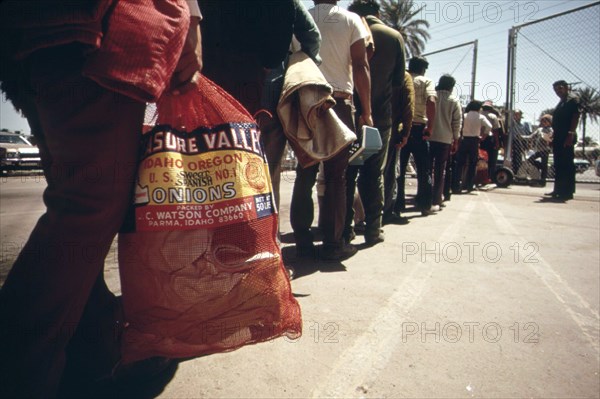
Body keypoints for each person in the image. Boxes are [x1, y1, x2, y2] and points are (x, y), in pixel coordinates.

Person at [0, 1, 203, 397]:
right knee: (89, 205)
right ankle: (18, 368)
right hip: (90, 29)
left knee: (78, 201)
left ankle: (89, 350)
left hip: (36, 32)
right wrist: (192, 15)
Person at [290, 0, 372, 261]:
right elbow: (360, 65)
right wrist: (367, 111)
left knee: (306, 172)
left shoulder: (300, 17)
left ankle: (302, 241)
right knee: (338, 177)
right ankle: (333, 244)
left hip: (307, 101)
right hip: (339, 102)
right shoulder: (351, 20)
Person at [344, 0, 406, 245]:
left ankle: (345, 229)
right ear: (378, 12)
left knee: (347, 172)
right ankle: (373, 228)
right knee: (374, 174)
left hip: (347, 116)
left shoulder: (347, 30)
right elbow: (399, 83)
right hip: (380, 117)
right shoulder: (393, 37)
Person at [394, 56, 436, 216]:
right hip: (419, 129)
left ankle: (397, 206)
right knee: (424, 170)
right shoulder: (426, 81)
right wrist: (430, 127)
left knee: (399, 169)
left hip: (401, 128)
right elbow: (431, 101)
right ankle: (425, 205)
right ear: (424, 69)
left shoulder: (402, 77)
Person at [383, 71, 414, 224]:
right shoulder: (403, 76)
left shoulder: (369, 64)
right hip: (390, 129)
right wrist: (406, 132)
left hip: (366, 125)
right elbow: (409, 103)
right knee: (388, 174)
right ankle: (385, 213)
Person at [429, 74, 462, 211]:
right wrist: (456, 139)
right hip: (445, 139)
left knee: (426, 169)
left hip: (429, 137)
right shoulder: (454, 100)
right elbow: (457, 122)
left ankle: (424, 197)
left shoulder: (431, 96)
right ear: (451, 86)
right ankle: (437, 199)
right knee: (440, 170)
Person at [545, 80, 581, 200]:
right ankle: (558, 189)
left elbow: (575, 116)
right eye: (555, 90)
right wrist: (554, 137)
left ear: (566, 88)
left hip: (567, 136)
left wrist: (570, 134)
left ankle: (567, 192)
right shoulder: (561, 102)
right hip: (559, 137)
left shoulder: (572, 99)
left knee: (566, 164)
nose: (558, 91)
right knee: (558, 163)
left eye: (560, 88)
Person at [453, 100, 492, 193]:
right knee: (472, 164)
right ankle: (469, 185)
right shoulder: (481, 117)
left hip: (464, 139)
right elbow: (489, 126)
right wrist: (483, 136)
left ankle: (456, 185)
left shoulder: (465, 115)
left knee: (460, 164)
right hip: (474, 141)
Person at [525, 114, 553, 187]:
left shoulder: (551, 129)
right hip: (538, 150)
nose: (544, 122)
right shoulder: (539, 129)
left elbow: (551, 138)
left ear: (549, 122)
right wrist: (523, 137)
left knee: (544, 164)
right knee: (530, 159)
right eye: (542, 121)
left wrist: (547, 138)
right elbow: (531, 136)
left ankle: (543, 181)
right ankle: (541, 166)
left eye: (545, 121)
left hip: (545, 150)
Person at [480, 100, 503, 183]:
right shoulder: (493, 116)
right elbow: (496, 130)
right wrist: (497, 142)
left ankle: (480, 177)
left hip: (480, 138)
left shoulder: (479, 114)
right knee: (492, 159)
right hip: (490, 139)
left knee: (481, 158)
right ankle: (490, 177)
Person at [509, 109, 531, 177]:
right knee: (514, 157)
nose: (516, 116)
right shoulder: (512, 123)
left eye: (518, 114)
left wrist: (527, 143)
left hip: (521, 141)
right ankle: (514, 171)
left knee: (520, 157)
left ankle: (519, 171)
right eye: (515, 114)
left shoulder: (524, 125)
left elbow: (527, 133)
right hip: (514, 141)